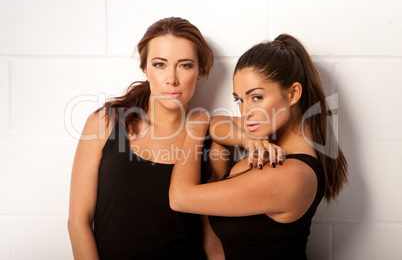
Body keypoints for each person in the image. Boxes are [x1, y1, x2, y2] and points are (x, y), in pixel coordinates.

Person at [169, 34, 348, 259]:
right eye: (239, 100)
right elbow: (217, 125)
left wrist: (195, 128)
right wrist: (247, 140)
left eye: (256, 97)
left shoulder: (292, 174)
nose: (245, 111)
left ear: (293, 94)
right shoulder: (270, 140)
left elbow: (180, 198)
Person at [68, 17, 225, 259]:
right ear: (145, 68)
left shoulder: (208, 141)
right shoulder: (104, 123)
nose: (171, 78)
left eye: (184, 65)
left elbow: (211, 239)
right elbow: (78, 222)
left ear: (201, 71)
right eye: (160, 64)